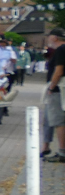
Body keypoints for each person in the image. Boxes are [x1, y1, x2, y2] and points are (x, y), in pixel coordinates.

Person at [42, 27, 65, 162]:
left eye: (49, 36)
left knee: (58, 121)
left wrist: (51, 87)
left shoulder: (61, 50)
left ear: (55, 37)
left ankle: (62, 152)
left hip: (59, 89)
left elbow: (58, 71)